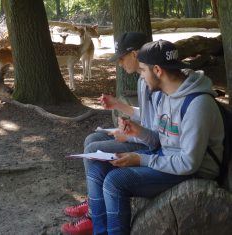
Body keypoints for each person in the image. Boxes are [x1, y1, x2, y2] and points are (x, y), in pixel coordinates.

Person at [85, 40, 224, 234]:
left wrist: (141, 158)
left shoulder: (197, 104)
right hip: (168, 158)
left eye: (143, 71)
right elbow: (159, 140)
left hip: (196, 171)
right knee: (99, 164)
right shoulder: (163, 95)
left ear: (157, 70)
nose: (141, 76)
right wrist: (138, 132)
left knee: (115, 181)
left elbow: (189, 163)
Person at [61, 32, 157, 235]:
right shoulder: (143, 79)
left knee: (95, 148)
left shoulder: (154, 80)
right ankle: (94, 205)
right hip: (146, 137)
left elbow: (159, 129)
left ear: (135, 54)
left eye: (121, 58)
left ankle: (94, 217)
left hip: (151, 145)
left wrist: (130, 136)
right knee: (91, 139)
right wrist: (118, 105)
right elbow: (150, 116)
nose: (120, 64)